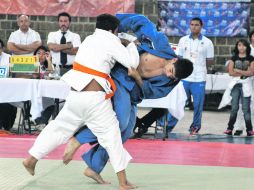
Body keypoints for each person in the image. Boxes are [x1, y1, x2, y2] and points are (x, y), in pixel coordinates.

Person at [62, 14, 193, 184]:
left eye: (173, 77)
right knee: (120, 122)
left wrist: (138, 77)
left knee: (125, 132)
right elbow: (139, 21)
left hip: (134, 93)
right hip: (120, 76)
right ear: (174, 59)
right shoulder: (159, 42)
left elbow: (151, 93)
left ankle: (93, 166)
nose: (169, 75)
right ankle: (78, 139)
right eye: (171, 70)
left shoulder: (170, 83)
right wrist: (114, 33)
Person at [23, 13, 140, 190]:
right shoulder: (111, 40)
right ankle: (123, 182)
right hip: (94, 99)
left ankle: (31, 159)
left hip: (75, 95)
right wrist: (130, 44)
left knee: (58, 127)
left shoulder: (88, 40)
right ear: (112, 30)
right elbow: (132, 64)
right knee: (112, 136)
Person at [136, 17, 214, 136]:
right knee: (179, 102)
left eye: (196, 25)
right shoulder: (183, 40)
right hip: (182, 77)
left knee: (198, 105)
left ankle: (195, 126)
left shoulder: (208, 42)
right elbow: (178, 58)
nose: (194, 27)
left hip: (199, 77)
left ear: (201, 26)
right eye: (192, 24)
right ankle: (169, 127)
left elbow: (209, 61)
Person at [220, 39, 254, 136]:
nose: (241, 47)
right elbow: (231, 73)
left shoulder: (251, 58)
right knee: (234, 108)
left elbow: (251, 73)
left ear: (247, 47)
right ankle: (229, 128)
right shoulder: (233, 58)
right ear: (237, 47)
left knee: (246, 108)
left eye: (243, 45)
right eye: (239, 45)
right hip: (235, 85)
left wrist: (237, 70)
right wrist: (244, 72)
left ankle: (249, 129)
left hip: (246, 84)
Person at [33, 46, 55, 128]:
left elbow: (51, 73)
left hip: (45, 93)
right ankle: (40, 123)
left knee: (51, 105)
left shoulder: (49, 65)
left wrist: (49, 60)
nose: (41, 56)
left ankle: (41, 123)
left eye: (44, 54)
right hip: (33, 92)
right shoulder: (30, 65)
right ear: (34, 55)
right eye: (38, 53)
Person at [0, 39, 17, 131]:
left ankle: (5, 126)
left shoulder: (9, 58)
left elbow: (13, 74)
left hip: (6, 89)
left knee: (8, 103)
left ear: (2, 49)